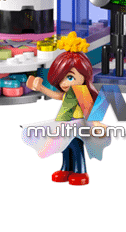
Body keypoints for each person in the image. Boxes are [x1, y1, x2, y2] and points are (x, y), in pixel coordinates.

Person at [22, 32, 111, 186]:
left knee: (76, 148)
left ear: (83, 75)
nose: (64, 83)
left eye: (70, 77)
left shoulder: (82, 92)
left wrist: (96, 123)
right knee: (64, 148)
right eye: (61, 78)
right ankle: (66, 168)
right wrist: (41, 88)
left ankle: (80, 171)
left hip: (78, 126)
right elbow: (57, 96)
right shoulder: (69, 94)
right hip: (65, 126)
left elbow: (88, 110)